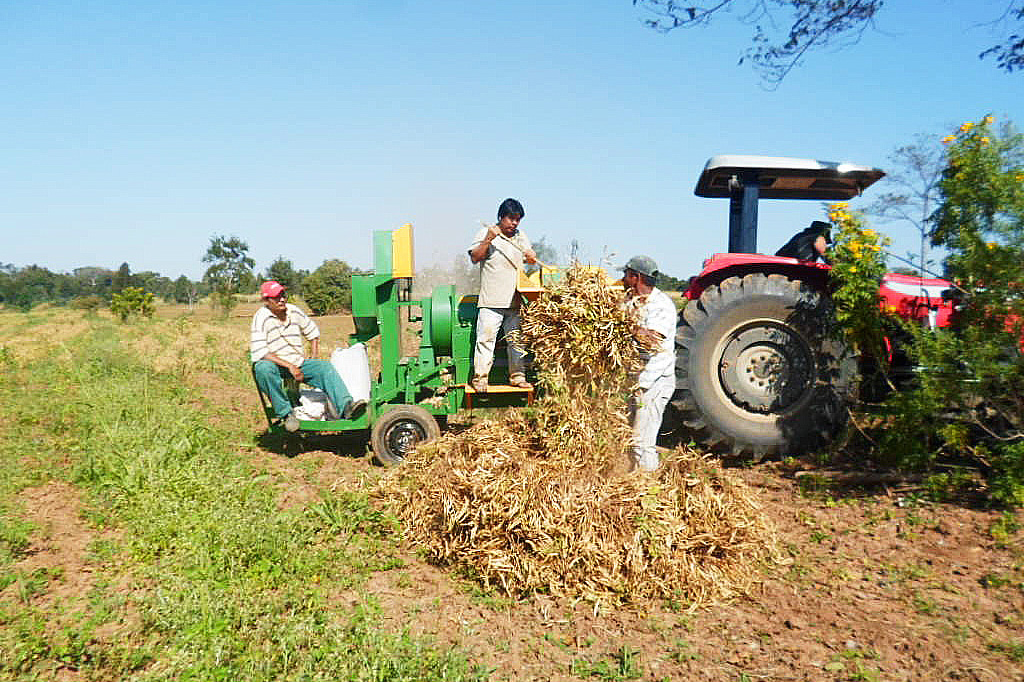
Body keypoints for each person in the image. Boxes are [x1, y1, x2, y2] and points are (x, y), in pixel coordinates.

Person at [251, 280, 364, 431]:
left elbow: (313, 333)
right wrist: (290, 367)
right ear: (266, 300)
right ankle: (286, 415)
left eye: (283, 295)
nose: (282, 299)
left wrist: (314, 356)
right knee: (262, 369)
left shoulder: (293, 311)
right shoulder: (261, 317)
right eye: (276, 297)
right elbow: (261, 352)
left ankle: (347, 407)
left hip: (298, 362)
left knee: (324, 368)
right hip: (277, 365)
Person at [467, 198, 538, 392]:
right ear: (501, 217)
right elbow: (475, 257)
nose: (514, 223)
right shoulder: (485, 233)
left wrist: (531, 257)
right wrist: (488, 239)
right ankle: (480, 379)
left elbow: (528, 260)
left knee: (516, 342)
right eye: (511, 218)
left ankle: (517, 376)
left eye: (518, 219)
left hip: (515, 302)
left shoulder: (521, 236)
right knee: (486, 340)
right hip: (491, 301)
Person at [622, 255, 677, 472]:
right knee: (628, 438)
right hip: (637, 380)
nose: (623, 279)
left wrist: (624, 325)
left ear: (636, 277)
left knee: (642, 441)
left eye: (626, 275)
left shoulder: (661, 306)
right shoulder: (631, 300)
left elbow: (652, 340)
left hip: (654, 383)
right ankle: (631, 480)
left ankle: (647, 489)